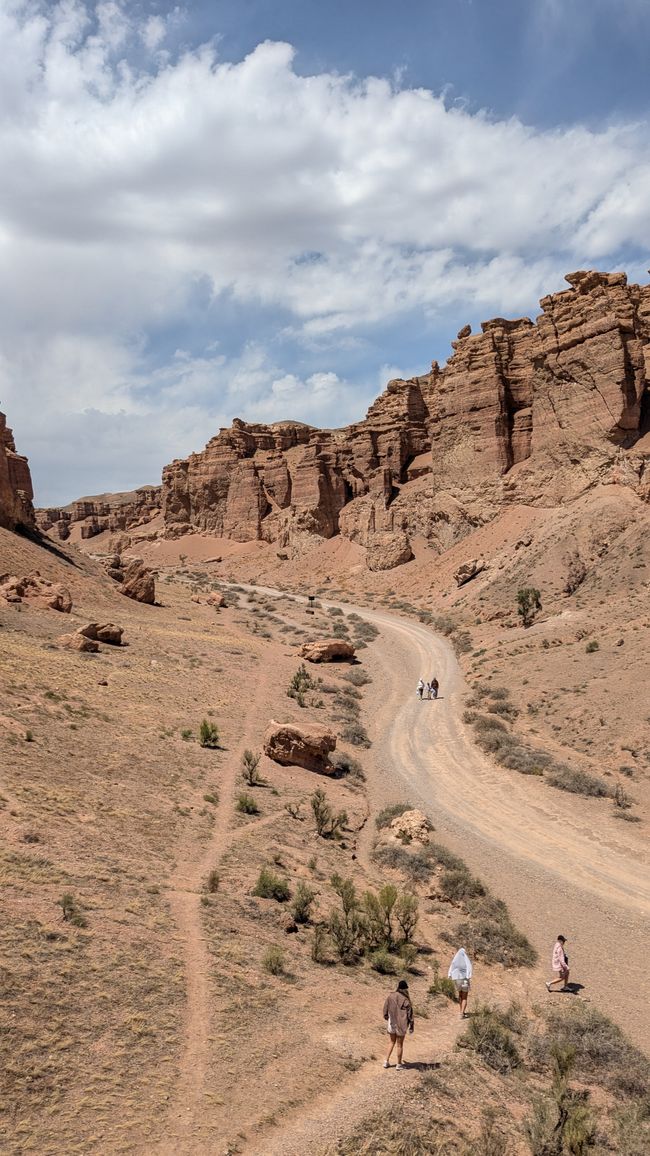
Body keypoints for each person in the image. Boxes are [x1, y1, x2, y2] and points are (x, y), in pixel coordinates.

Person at [383, 979, 414, 1069]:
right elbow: (410, 1015)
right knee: (399, 1045)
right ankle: (399, 1064)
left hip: (392, 1022)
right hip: (401, 1024)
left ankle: (386, 1061)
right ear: (405, 989)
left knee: (391, 1042)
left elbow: (385, 1008)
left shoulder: (390, 996)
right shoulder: (406, 1000)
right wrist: (411, 1026)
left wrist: (386, 1017)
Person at [448, 947, 473, 1018]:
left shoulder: (456, 959)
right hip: (464, 979)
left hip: (457, 979)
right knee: (464, 997)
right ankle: (462, 1013)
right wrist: (469, 975)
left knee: (460, 995)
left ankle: (461, 1011)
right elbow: (469, 966)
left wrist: (450, 974)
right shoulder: (465, 958)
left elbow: (452, 966)